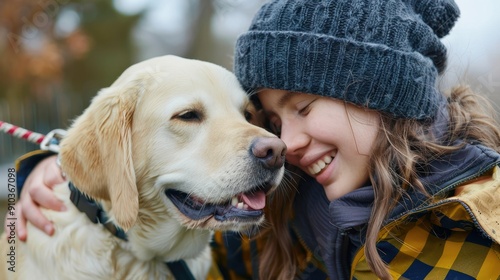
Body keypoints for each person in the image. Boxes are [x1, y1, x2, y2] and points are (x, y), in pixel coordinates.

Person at [8, 0, 500, 279]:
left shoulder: (474, 224)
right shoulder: (285, 212)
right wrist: (58, 173)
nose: (282, 143)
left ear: (383, 95)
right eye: (271, 120)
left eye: (304, 107)